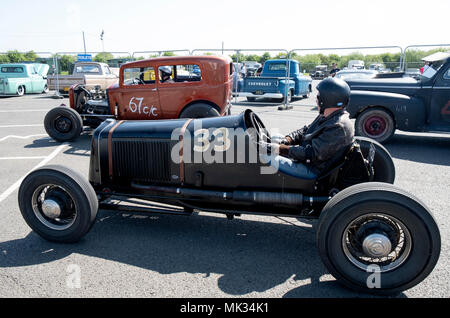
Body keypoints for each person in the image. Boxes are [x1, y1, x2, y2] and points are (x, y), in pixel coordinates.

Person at [260, 78, 355, 176]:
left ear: (327, 99)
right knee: (276, 138)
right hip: (308, 159)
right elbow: (306, 130)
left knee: (263, 158)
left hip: (313, 169)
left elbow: (312, 154)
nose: (316, 99)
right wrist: (288, 139)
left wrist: (280, 149)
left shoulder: (338, 127)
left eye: (318, 96)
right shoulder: (328, 116)